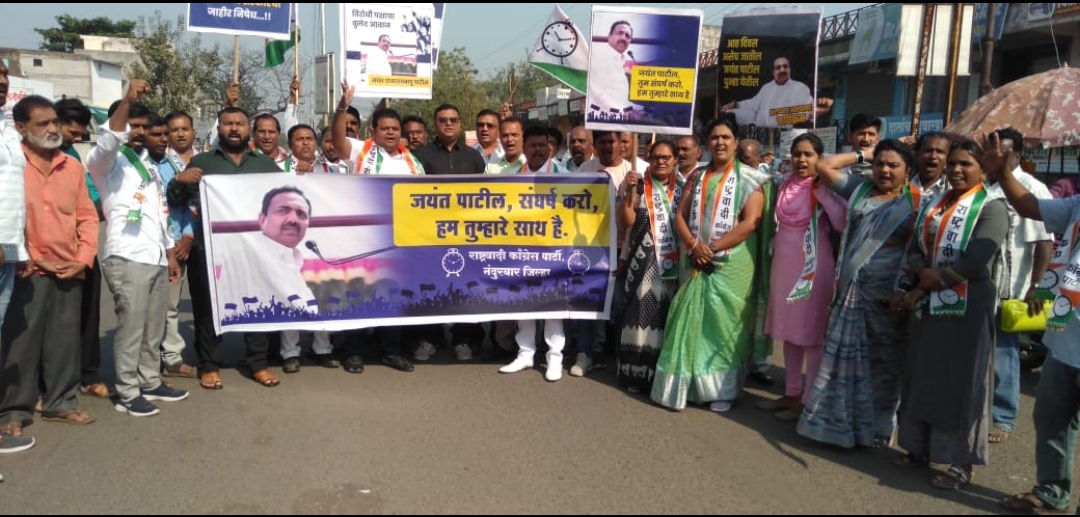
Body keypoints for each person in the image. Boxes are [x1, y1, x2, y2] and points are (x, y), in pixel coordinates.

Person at [892, 138, 1008, 491]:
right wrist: (922, 274)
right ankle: (919, 448)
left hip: (968, 304)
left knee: (962, 381)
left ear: (983, 170)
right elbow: (916, 246)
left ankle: (961, 462)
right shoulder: (935, 203)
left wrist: (939, 278)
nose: (956, 169)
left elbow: (978, 258)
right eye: (953, 163)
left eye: (965, 164)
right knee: (924, 373)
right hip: (931, 301)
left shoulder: (992, 207)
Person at [796, 139, 920, 450]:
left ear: (908, 170)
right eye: (880, 164)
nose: (885, 170)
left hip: (887, 297)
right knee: (841, 361)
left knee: (884, 363)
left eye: (893, 165)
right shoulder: (860, 190)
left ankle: (879, 427)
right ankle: (837, 423)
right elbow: (824, 166)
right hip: (851, 291)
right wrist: (864, 153)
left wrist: (904, 289)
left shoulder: (917, 202)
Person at [988, 133, 1080, 513]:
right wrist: (1001, 173)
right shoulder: (1076, 205)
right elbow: (1030, 207)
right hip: (1067, 338)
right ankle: (1052, 491)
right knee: (1051, 418)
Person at [651, 116, 768, 412]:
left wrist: (712, 248)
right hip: (696, 258)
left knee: (724, 325)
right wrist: (694, 245)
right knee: (692, 320)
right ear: (707, 143)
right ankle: (689, 386)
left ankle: (722, 389)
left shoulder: (750, 179)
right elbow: (680, 215)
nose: (720, 142)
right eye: (714, 137)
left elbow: (751, 222)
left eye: (726, 137)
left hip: (732, 263)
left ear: (736, 142)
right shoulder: (697, 176)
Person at [86, 83, 188, 417]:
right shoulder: (106, 161)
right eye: (133, 125)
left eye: (144, 126)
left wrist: (170, 254)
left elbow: (160, 213)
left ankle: (150, 380)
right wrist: (128, 100)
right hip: (127, 256)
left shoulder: (150, 166)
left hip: (155, 256)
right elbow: (111, 139)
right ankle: (127, 392)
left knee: (153, 327)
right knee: (131, 327)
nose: (139, 132)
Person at [0, 95, 99, 433]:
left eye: (55, 121)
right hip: (25, 268)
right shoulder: (12, 164)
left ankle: (61, 402)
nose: (53, 129)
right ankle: (14, 410)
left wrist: (83, 259)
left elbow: (87, 217)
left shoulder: (72, 166)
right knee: (19, 344)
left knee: (64, 343)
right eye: (43, 124)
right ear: (20, 128)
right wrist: (27, 254)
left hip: (68, 267)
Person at [166, 106, 283, 390]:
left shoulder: (265, 165)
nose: (234, 128)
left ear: (248, 129)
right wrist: (179, 182)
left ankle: (258, 363)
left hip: (254, 250)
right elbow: (176, 200)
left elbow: (286, 197)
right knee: (208, 308)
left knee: (256, 305)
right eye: (228, 123)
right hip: (209, 249)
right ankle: (209, 365)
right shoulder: (202, 162)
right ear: (218, 128)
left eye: (239, 123)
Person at [760, 133, 847, 421]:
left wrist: (822, 192)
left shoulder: (826, 187)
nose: (801, 159)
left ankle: (809, 400)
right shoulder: (785, 184)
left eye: (808, 154)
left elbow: (841, 222)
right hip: (784, 266)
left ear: (820, 159)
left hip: (813, 267)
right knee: (789, 331)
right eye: (797, 154)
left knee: (811, 334)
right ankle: (791, 392)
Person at [983, 128, 1054, 444]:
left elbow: (1044, 241)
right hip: (978, 283)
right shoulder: (984, 184)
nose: (997, 156)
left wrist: (1035, 284)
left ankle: (1003, 418)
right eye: (992, 150)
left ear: (1018, 155)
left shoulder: (1032, 189)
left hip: (1010, 286)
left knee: (1003, 352)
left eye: (1005, 151)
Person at [413, 102, 487, 359]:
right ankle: (430, 339)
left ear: (459, 124)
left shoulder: (474, 157)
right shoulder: (420, 156)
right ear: (435, 124)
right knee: (430, 287)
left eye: (453, 120)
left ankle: (464, 339)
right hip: (430, 234)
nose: (448, 124)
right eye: (443, 120)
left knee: (467, 286)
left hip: (467, 235)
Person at [498, 125, 567, 382]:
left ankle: (554, 357)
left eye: (542, 145)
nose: (538, 150)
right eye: (533, 145)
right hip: (521, 250)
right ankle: (525, 354)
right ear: (524, 148)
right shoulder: (512, 177)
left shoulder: (566, 176)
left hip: (554, 251)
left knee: (553, 307)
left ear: (549, 147)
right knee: (523, 303)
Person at [55, 97, 111, 400]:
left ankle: (88, 374)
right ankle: (48, 382)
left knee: (89, 311)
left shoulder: (72, 155)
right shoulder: (35, 157)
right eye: (72, 132)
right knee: (53, 319)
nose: (76, 138)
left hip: (83, 245)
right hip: (53, 248)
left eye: (80, 134)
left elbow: (89, 195)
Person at [617, 140, 684, 393]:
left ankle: (659, 375)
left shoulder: (684, 189)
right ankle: (634, 373)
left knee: (665, 317)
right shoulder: (637, 185)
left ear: (675, 159)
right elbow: (626, 221)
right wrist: (629, 192)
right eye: (656, 157)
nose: (661, 162)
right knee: (637, 316)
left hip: (671, 265)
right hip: (640, 262)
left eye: (666, 157)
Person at [0, 61, 37, 455]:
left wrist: (20, 248)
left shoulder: (8, 131)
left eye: (3, 77)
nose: (0, 83)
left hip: (9, 251)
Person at [576, 130, 634, 375]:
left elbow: (632, 222)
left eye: (612, 141)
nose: (608, 146)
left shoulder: (633, 171)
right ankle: (585, 353)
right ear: (595, 145)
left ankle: (622, 355)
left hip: (620, 249)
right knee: (587, 301)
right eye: (602, 142)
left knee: (619, 304)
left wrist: (624, 256)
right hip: (590, 248)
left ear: (621, 143)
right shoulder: (585, 170)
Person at [159, 110, 199, 378]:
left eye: (185, 129)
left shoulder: (204, 159)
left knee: (205, 300)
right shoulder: (160, 163)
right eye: (174, 130)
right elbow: (166, 203)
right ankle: (171, 357)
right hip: (172, 240)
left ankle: (208, 351)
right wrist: (182, 237)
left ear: (194, 131)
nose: (181, 134)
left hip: (200, 239)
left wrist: (191, 235)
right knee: (170, 304)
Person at [721, 57, 833, 129]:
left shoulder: (800, 88)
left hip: (786, 135)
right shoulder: (767, 88)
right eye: (778, 67)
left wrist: (820, 108)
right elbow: (754, 103)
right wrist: (735, 104)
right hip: (761, 133)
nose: (782, 70)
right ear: (773, 72)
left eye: (785, 66)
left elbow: (808, 111)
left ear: (790, 69)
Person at [588, 20, 640, 121]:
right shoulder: (598, 58)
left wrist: (635, 109)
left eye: (627, 36)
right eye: (619, 33)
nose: (623, 38)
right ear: (609, 36)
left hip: (622, 117)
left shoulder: (626, 60)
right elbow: (597, 92)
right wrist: (621, 111)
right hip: (604, 117)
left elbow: (624, 94)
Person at [909, 132, 951, 198]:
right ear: (916, 154)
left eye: (940, 152)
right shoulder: (901, 185)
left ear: (948, 158)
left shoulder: (953, 190)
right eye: (928, 151)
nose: (933, 156)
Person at [844, 113, 882, 178]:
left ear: (878, 139)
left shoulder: (883, 169)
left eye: (871, 134)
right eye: (861, 134)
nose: (866, 139)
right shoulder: (839, 165)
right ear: (850, 137)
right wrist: (864, 155)